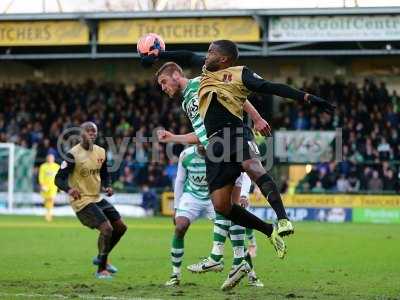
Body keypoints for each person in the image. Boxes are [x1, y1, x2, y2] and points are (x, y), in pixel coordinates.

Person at [147, 41, 335, 253]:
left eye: (211, 52)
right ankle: (268, 231)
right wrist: (160, 54)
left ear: (223, 58)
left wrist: (305, 98)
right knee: (222, 206)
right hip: (214, 146)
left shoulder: (236, 75)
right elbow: (188, 56)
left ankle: (282, 219)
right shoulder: (204, 74)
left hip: (234, 133)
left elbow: (270, 87)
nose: (206, 55)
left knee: (252, 166)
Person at [166, 145, 260, 291]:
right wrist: (176, 207)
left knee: (233, 233)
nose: (202, 144)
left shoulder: (221, 152)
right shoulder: (186, 155)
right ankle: (175, 275)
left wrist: (243, 195)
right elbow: (179, 180)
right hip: (192, 196)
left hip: (215, 196)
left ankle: (251, 274)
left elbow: (243, 173)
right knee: (180, 227)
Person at [55, 122, 127, 279]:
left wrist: (107, 186)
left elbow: (105, 174)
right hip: (81, 200)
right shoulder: (72, 154)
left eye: (94, 131)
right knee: (107, 229)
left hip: (96, 198)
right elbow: (58, 179)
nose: (91, 134)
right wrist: (69, 189)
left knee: (121, 227)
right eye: (88, 131)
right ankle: (101, 269)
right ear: (80, 134)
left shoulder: (101, 152)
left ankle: (101, 257)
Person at [38, 154, 60, 222]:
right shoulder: (43, 166)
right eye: (49, 158)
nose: (50, 159)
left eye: (51, 158)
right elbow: (40, 176)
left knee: (51, 199)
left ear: (53, 159)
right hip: (45, 186)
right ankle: (48, 212)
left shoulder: (57, 166)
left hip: (53, 186)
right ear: (47, 159)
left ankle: (49, 214)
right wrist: (42, 185)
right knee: (46, 200)